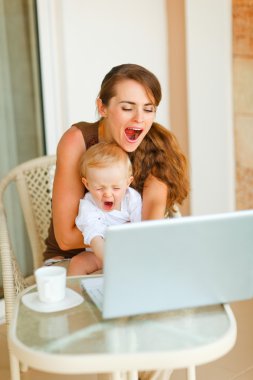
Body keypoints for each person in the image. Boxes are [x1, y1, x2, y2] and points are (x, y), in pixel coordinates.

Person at [44, 63, 189, 270]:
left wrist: (131, 238)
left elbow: (150, 229)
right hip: (70, 260)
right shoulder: (77, 141)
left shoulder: (159, 149)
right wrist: (129, 232)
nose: (139, 118)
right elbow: (66, 239)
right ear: (102, 107)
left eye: (148, 109)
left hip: (133, 256)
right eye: (127, 108)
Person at [70, 141, 142, 275]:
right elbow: (95, 237)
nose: (108, 194)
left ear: (128, 183)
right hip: (100, 254)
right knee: (77, 263)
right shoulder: (88, 205)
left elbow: (141, 228)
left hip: (130, 250)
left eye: (116, 188)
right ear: (87, 184)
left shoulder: (132, 198)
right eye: (99, 188)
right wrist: (113, 262)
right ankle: (75, 295)